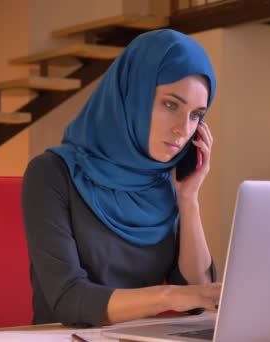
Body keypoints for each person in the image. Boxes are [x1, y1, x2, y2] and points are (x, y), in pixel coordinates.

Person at [21, 29, 220, 328]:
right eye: (170, 105)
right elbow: (68, 299)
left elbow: (198, 297)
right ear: (132, 96)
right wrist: (169, 297)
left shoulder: (165, 180)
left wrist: (188, 200)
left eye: (196, 115)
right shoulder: (50, 173)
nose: (183, 129)